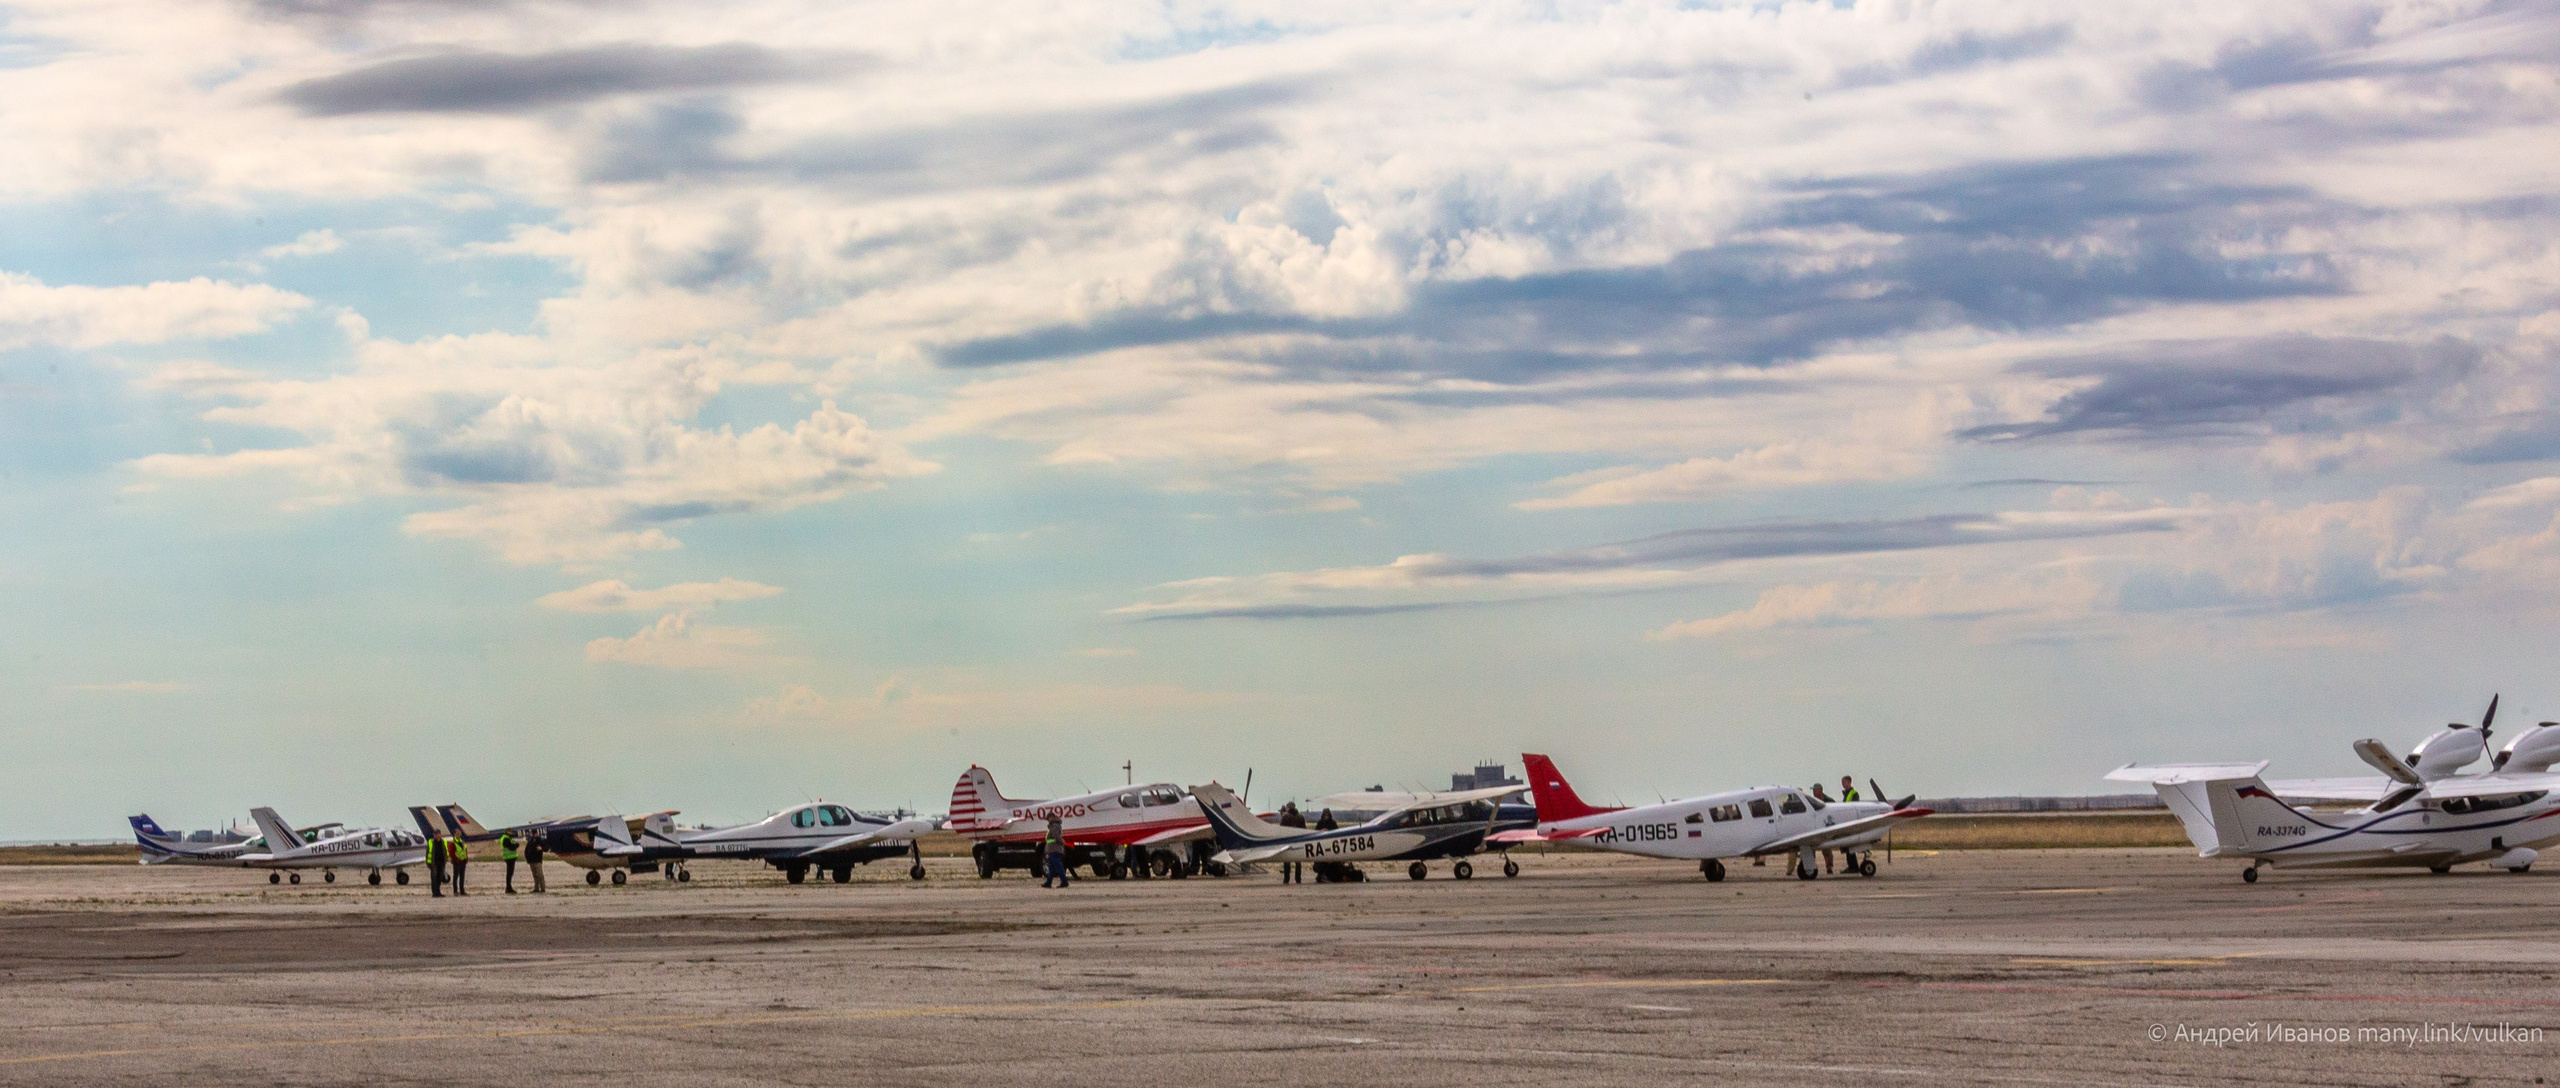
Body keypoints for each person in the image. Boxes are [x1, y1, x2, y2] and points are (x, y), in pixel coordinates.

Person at [1277, 802, 1308, 884]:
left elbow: (1281, 829)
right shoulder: (1301, 817)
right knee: (1298, 860)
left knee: (1287, 860)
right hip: (1299, 840)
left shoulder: (1285, 817)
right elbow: (1304, 829)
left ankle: (1286, 879)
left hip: (1288, 840)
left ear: (1288, 808)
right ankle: (1298, 879)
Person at [1040, 814, 1069, 889]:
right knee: (1052, 867)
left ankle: (1064, 881)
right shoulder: (1054, 826)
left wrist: (1062, 842)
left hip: (1055, 849)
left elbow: (1056, 836)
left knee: (1057, 866)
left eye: (1048, 819)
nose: (1047, 820)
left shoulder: (1054, 826)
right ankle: (1048, 882)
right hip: (1052, 849)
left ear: (1051, 818)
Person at [498, 829, 520, 894]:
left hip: (510, 857)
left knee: (510, 873)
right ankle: (508, 888)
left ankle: (509, 887)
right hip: (509, 857)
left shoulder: (507, 838)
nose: (511, 833)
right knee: (509, 873)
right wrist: (516, 845)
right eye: (510, 832)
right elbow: (511, 846)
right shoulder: (506, 838)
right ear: (507, 832)